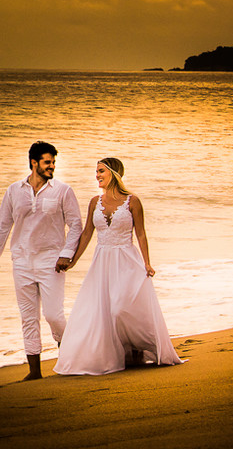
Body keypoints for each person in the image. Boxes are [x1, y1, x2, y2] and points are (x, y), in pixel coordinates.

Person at [53, 157, 183, 375]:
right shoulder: (94, 202)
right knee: (103, 311)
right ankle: (120, 354)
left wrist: (147, 263)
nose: (97, 175)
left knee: (121, 307)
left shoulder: (133, 201)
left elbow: (141, 234)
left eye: (101, 171)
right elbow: (87, 233)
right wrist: (73, 260)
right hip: (102, 262)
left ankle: (139, 346)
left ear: (113, 173)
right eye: (96, 171)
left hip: (127, 261)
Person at [0, 141, 82, 380]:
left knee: (53, 315)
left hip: (51, 262)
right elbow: (2, 226)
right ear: (34, 162)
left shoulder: (63, 191)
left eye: (54, 162)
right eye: (47, 162)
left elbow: (76, 225)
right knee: (28, 318)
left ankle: (69, 358)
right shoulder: (14, 191)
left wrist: (66, 254)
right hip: (22, 262)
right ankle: (34, 372)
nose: (52, 166)